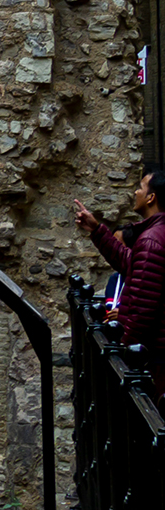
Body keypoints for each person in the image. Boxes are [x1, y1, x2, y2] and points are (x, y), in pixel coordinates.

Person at [75, 167, 165, 391]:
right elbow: (131, 263)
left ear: (151, 197)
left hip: (155, 358)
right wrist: (97, 230)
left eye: (141, 187)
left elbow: (141, 311)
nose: (135, 192)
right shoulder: (154, 236)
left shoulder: (151, 240)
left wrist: (122, 350)